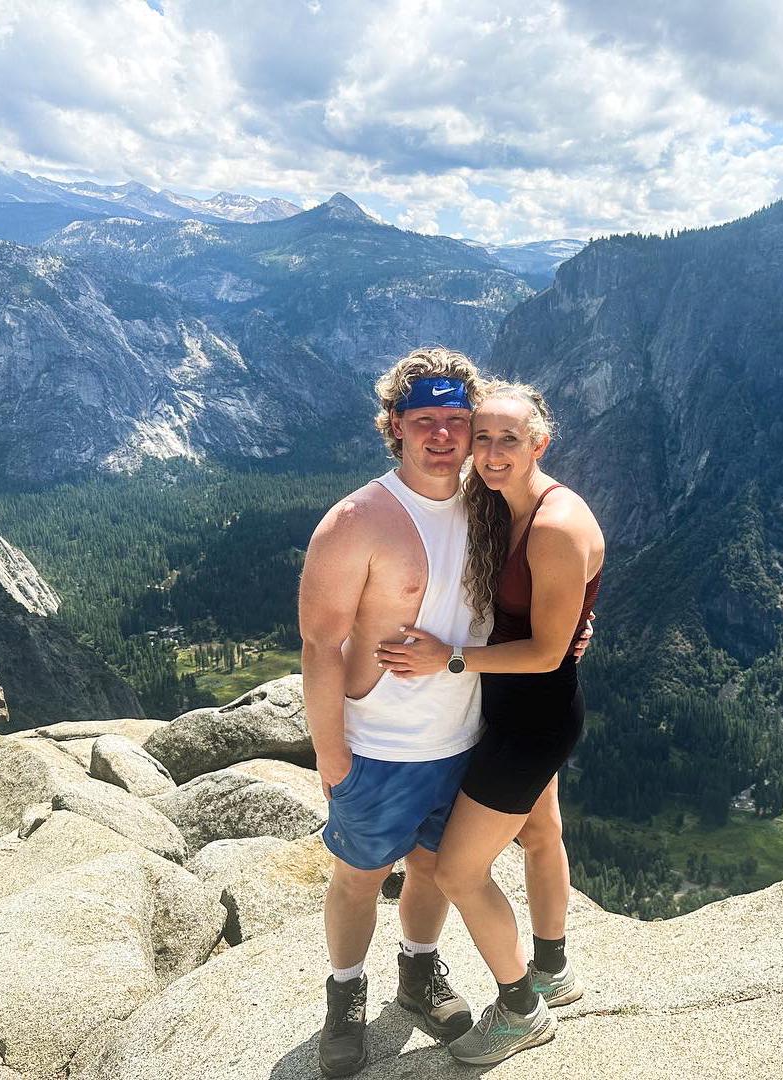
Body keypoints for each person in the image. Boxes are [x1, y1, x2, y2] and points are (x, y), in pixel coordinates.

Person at [375, 381, 605, 1067]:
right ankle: (554, 969)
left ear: (541, 441)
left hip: (530, 720)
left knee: (457, 870)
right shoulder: (507, 503)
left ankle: (519, 1008)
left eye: (509, 439)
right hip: (516, 705)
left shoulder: (557, 523)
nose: (492, 451)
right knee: (539, 833)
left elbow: (544, 650)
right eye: (484, 437)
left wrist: (446, 659)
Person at [299, 347, 489, 1078]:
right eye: (423, 421)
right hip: (377, 745)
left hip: (462, 738)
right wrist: (331, 753)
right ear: (395, 426)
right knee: (356, 875)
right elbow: (319, 645)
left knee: (436, 871)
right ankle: (345, 997)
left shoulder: (490, 504)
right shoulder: (358, 519)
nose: (441, 435)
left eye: (456, 419)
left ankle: (418, 973)